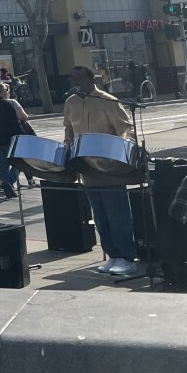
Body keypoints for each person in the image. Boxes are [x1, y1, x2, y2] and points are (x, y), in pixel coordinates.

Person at [63, 64, 139, 279]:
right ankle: (113, 255)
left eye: (78, 78)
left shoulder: (107, 101)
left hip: (109, 166)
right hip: (87, 167)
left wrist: (118, 151)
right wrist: (68, 143)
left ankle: (126, 258)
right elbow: (69, 127)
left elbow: (126, 128)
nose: (74, 82)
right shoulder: (70, 102)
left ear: (91, 80)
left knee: (118, 215)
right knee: (100, 217)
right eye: (72, 78)